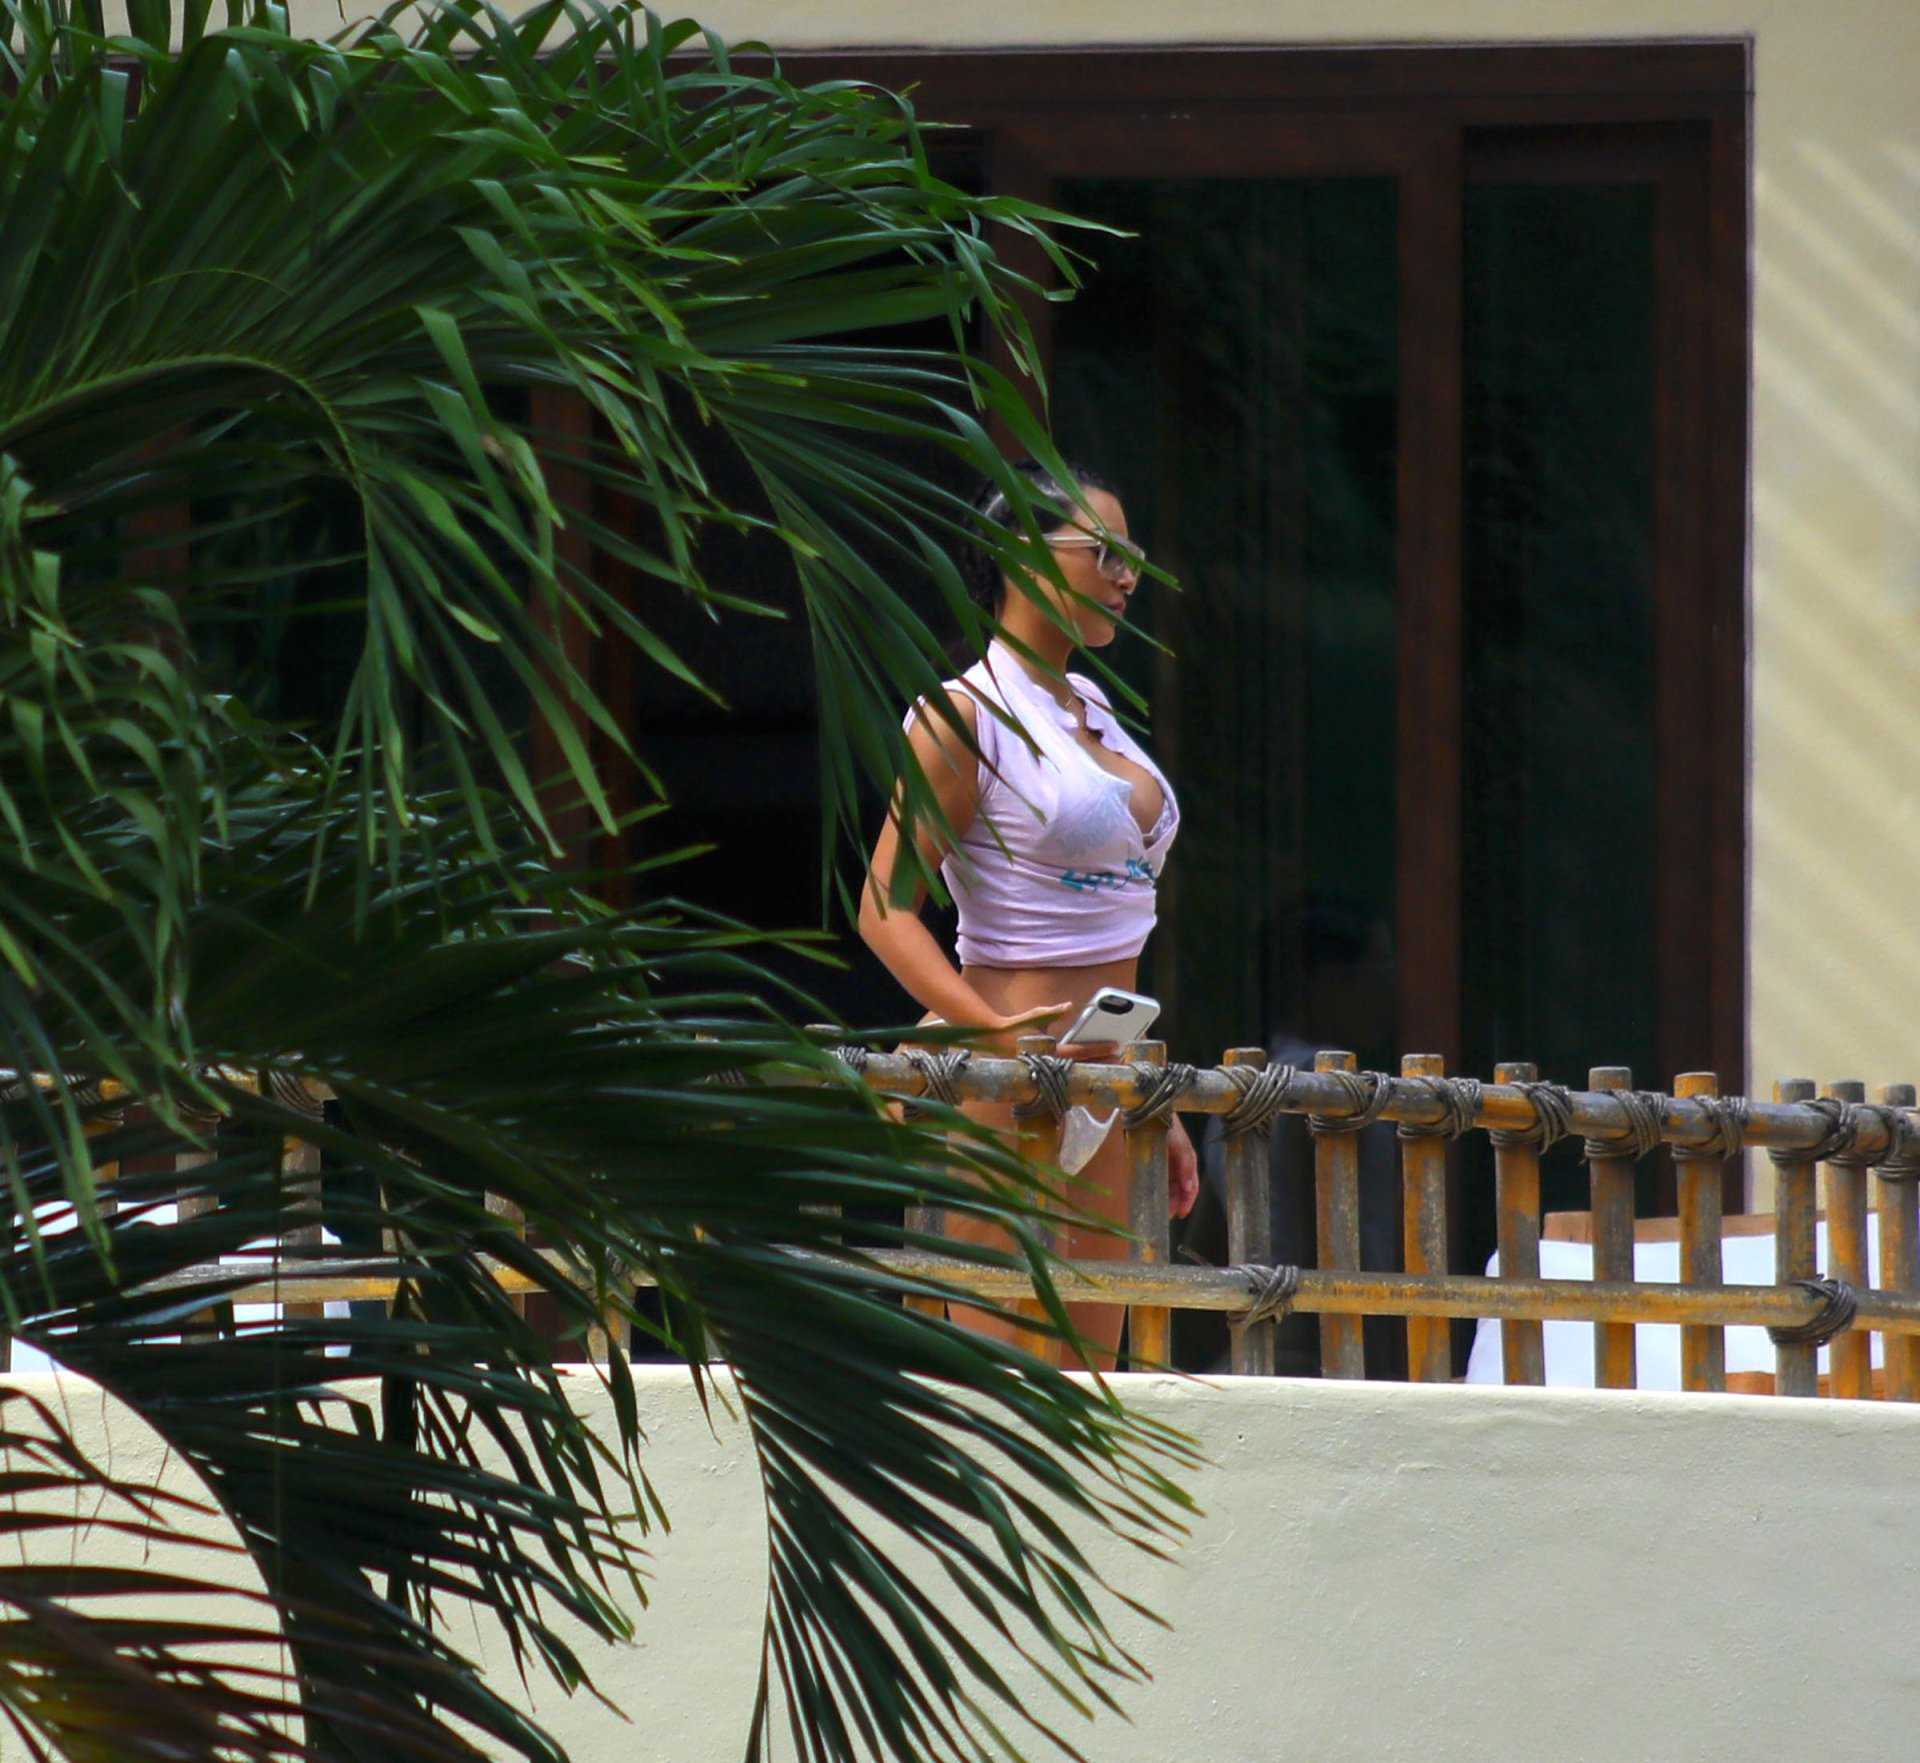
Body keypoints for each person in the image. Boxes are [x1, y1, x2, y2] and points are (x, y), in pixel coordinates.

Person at [857, 461, 1199, 1367]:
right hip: (1008, 1080)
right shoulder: (964, 716)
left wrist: (1152, 1098)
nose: (1128, 577)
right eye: (1106, 552)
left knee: (1088, 1389)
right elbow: (885, 908)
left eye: (1134, 558)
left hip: (1103, 1080)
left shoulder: (1094, 709)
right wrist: (992, 1035)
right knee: (999, 1388)